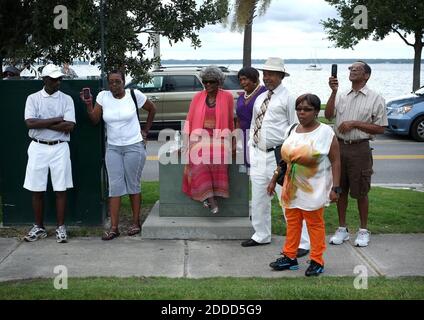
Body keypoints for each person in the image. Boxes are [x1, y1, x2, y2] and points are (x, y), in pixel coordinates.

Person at [241, 57, 311, 258]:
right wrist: (251, 147)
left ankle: (303, 242)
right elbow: (255, 123)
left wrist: (289, 157)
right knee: (258, 199)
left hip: (278, 156)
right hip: (258, 154)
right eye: (265, 73)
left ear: (281, 76)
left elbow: (295, 127)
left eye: (271, 74)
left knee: (287, 199)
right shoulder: (261, 97)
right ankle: (261, 234)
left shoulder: (289, 98)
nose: (267, 77)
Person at [268, 93, 341, 276]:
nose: (302, 113)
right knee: (292, 223)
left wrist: (336, 187)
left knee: (314, 224)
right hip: (291, 187)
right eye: (299, 109)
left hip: (314, 187)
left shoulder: (325, 132)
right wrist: (273, 178)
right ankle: (290, 257)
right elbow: (285, 160)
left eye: (307, 109)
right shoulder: (292, 129)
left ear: (316, 111)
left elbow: (336, 161)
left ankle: (317, 260)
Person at [81, 70, 156, 240]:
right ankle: (114, 228)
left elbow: (152, 109)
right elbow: (94, 120)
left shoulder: (134, 94)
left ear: (124, 81)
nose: (114, 85)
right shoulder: (103, 96)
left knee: (133, 185)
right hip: (113, 148)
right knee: (114, 187)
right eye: (111, 82)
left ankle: (135, 223)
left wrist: (146, 131)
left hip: (134, 146)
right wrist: (88, 104)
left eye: (117, 82)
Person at [325, 60, 388, 247]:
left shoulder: (375, 98)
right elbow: (328, 115)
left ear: (366, 75)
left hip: (360, 148)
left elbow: (381, 128)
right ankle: (342, 229)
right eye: (350, 69)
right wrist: (333, 92)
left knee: (361, 190)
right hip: (339, 146)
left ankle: (363, 230)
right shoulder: (341, 94)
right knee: (340, 188)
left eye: (356, 69)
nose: (352, 71)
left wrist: (355, 123)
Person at [23, 64, 75, 243]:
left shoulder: (66, 99)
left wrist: (42, 123)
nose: (57, 82)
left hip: (60, 147)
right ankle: (39, 227)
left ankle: (61, 227)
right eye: (53, 79)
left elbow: (70, 126)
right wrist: (56, 120)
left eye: (59, 78)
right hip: (38, 147)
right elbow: (30, 123)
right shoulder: (33, 98)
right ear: (44, 79)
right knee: (37, 189)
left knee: (60, 188)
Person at [182, 66, 234, 214]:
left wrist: (233, 142)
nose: (208, 85)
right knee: (198, 156)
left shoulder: (227, 97)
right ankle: (209, 197)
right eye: (205, 82)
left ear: (219, 82)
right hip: (198, 136)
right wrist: (185, 142)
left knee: (220, 155)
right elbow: (189, 120)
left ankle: (210, 194)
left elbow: (230, 120)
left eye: (212, 82)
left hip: (220, 136)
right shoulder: (197, 97)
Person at [235, 66, 267, 168]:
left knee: (261, 167)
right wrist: (236, 139)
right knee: (248, 169)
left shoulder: (265, 93)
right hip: (244, 136)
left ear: (254, 78)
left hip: (260, 136)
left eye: (245, 79)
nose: (242, 82)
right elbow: (239, 119)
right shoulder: (241, 97)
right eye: (240, 80)